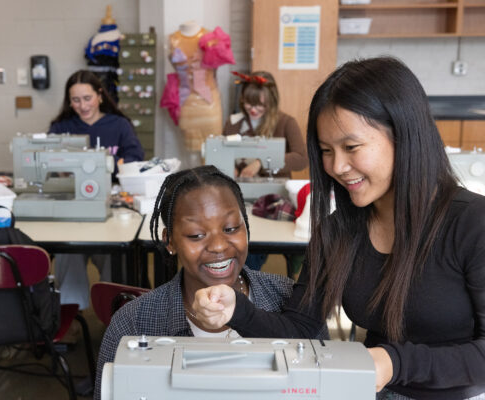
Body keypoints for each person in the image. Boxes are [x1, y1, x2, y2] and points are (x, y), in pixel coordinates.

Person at [193, 57, 485, 399]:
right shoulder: (338, 230)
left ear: (404, 134)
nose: (337, 166)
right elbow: (300, 328)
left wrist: (395, 363)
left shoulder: (472, 224)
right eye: (326, 151)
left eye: (351, 147)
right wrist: (235, 309)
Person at [93, 165, 326, 400]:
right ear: (170, 242)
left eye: (231, 228)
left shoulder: (294, 304)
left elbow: (323, 387)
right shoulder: (133, 324)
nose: (218, 246)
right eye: (196, 235)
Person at [49, 70, 144, 310]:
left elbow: (134, 160)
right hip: (73, 209)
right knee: (67, 254)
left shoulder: (119, 125)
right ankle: (71, 314)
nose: (82, 105)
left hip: (110, 209)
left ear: (100, 96)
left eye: (87, 98)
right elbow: (48, 164)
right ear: (69, 101)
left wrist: (123, 167)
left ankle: (115, 315)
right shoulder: (61, 128)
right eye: (76, 100)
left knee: (115, 255)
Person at [161, 21, 234, 153]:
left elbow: (215, 71)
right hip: (186, 103)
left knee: (214, 149)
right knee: (191, 153)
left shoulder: (211, 37)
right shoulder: (170, 39)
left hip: (210, 103)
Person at [223, 70, 308, 178]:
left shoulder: (286, 123)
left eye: (259, 105)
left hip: (274, 190)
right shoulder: (232, 123)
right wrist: (229, 167)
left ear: (272, 100)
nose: (253, 110)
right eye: (249, 103)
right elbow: (223, 152)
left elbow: (302, 159)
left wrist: (261, 163)